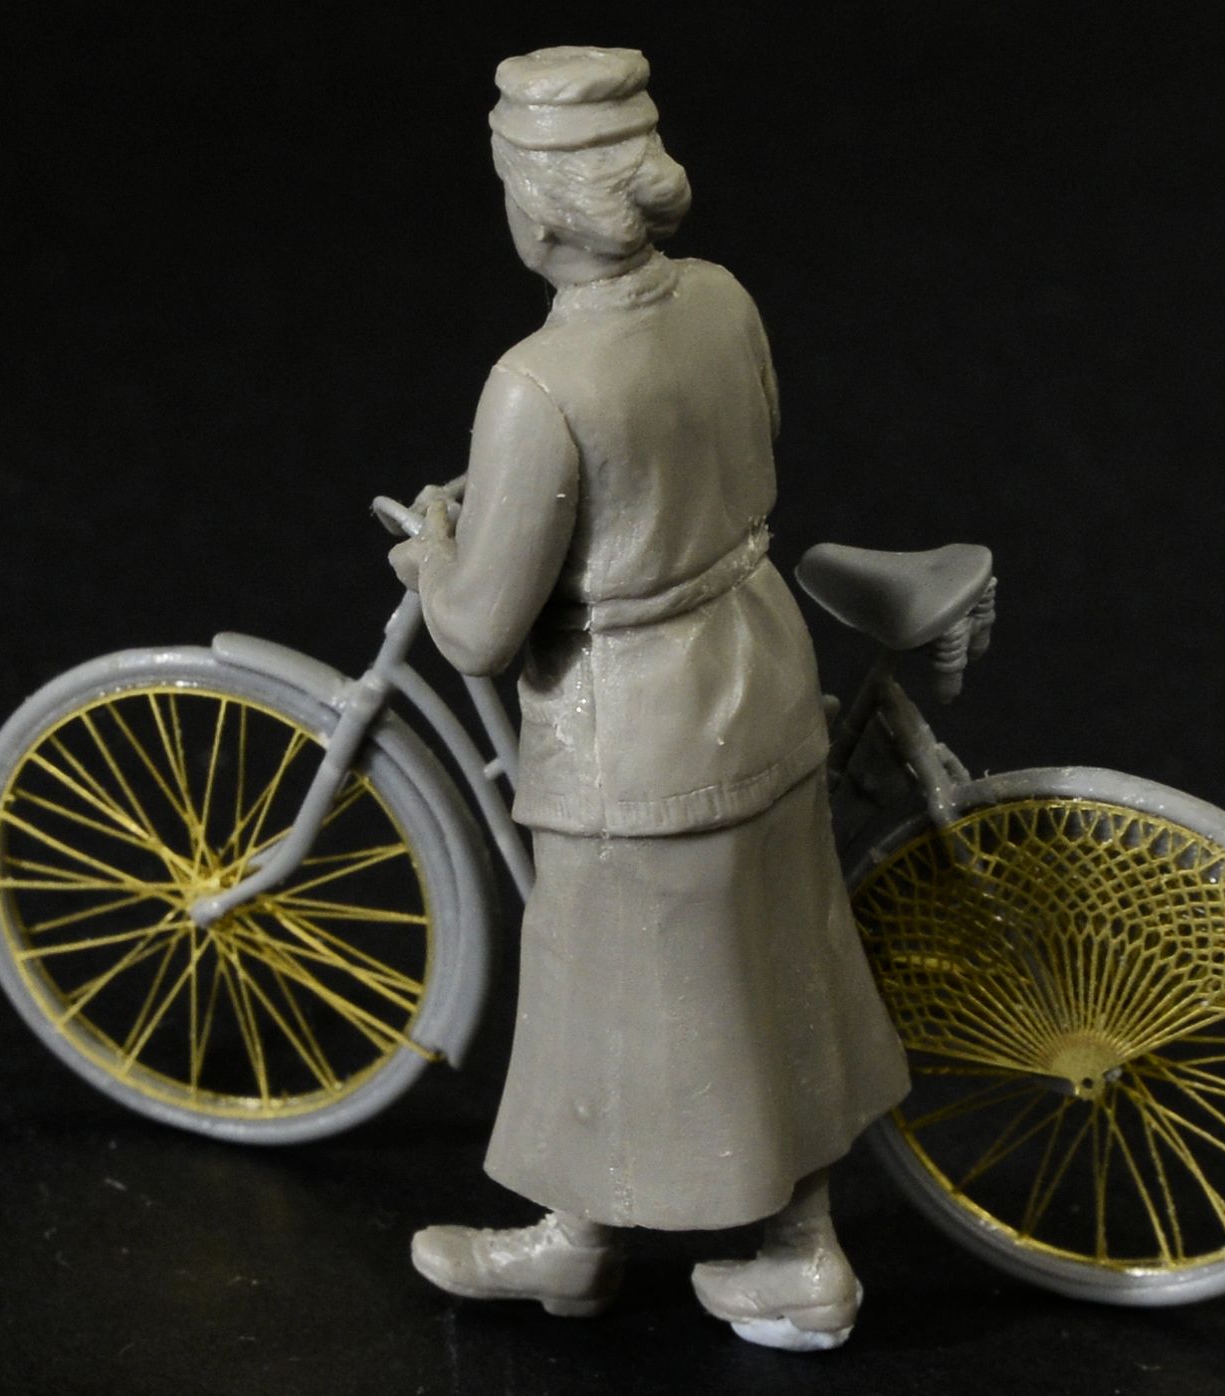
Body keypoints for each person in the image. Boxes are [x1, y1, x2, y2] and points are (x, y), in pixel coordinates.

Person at [392, 45, 908, 1353]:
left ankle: (576, 1248)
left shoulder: (536, 383)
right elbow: (743, 455)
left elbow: (480, 631)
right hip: (760, 664)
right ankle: (796, 1250)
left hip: (631, 726)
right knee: (777, 970)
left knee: (596, 994)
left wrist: (434, 557)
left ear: (537, 210)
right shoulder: (725, 300)